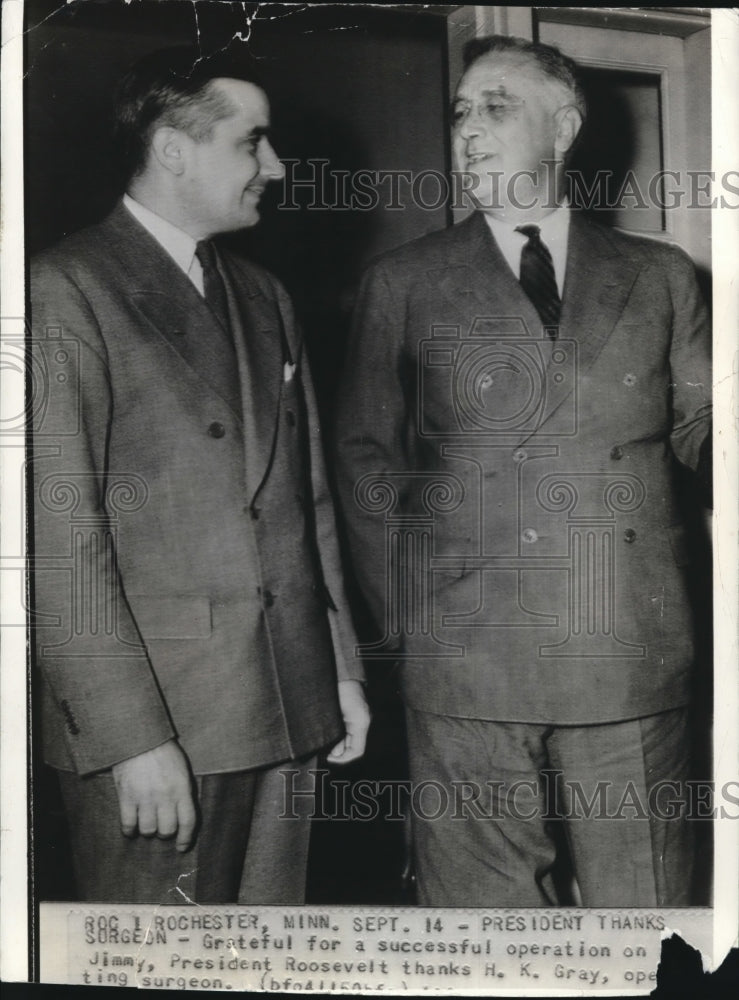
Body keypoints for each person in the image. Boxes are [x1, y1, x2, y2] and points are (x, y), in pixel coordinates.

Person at [335, 35, 711, 907]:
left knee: (642, 928)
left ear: (564, 128)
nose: (468, 129)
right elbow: (364, 461)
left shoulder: (657, 276)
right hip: (467, 663)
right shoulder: (405, 282)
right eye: (461, 111)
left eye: (496, 107)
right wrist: (416, 618)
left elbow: (703, 430)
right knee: (485, 938)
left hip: (625, 648)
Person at [31, 46, 369, 904]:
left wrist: (340, 673)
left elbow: (308, 500)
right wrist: (130, 739)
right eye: (252, 143)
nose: (277, 167)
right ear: (173, 149)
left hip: (288, 710)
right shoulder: (64, 290)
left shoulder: (265, 296)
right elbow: (57, 539)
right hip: (162, 732)